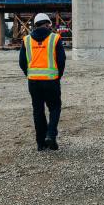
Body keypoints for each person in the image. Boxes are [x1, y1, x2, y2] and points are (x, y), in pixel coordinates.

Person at [19, 13, 67, 151]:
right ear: (47, 24)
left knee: (38, 111)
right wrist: (58, 76)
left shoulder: (27, 40)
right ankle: (51, 135)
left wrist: (29, 74)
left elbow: (22, 62)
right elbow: (61, 60)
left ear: (35, 25)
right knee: (55, 108)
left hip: (33, 82)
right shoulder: (55, 38)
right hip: (51, 81)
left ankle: (41, 143)